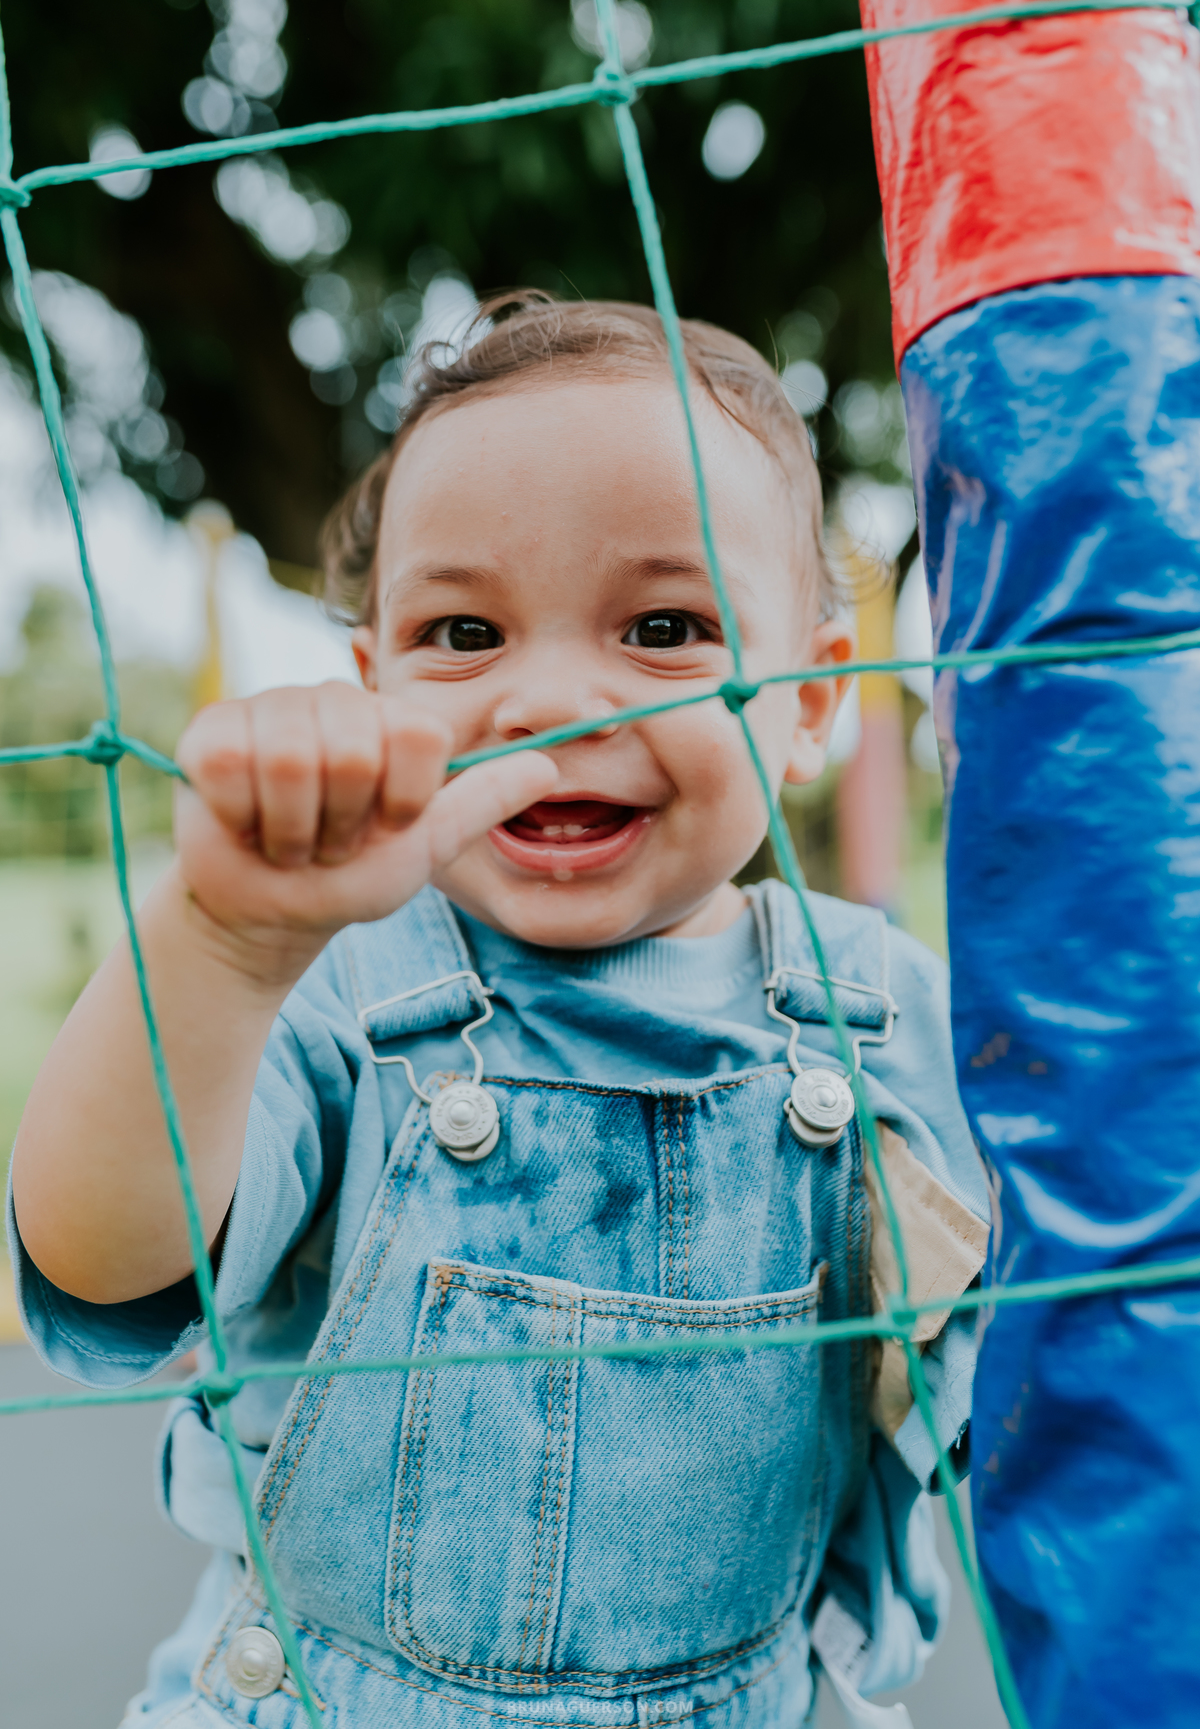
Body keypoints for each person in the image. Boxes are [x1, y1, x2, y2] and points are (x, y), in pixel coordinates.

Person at [8, 294, 988, 1728]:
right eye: (465, 632)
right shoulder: (342, 987)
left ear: (813, 701)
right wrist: (221, 948)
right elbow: (106, 1280)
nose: (549, 700)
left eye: (664, 626)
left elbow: (1036, 1340)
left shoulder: (885, 1013)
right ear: (374, 688)